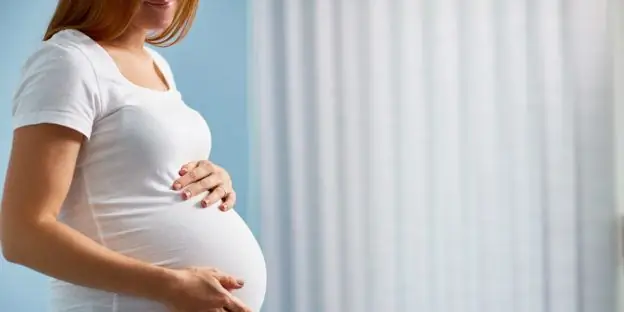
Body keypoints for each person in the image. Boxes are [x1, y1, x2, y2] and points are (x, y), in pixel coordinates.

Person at [0, 0, 266, 311]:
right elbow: (22, 234)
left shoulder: (156, 65)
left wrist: (212, 178)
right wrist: (171, 286)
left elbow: (143, 174)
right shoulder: (68, 62)